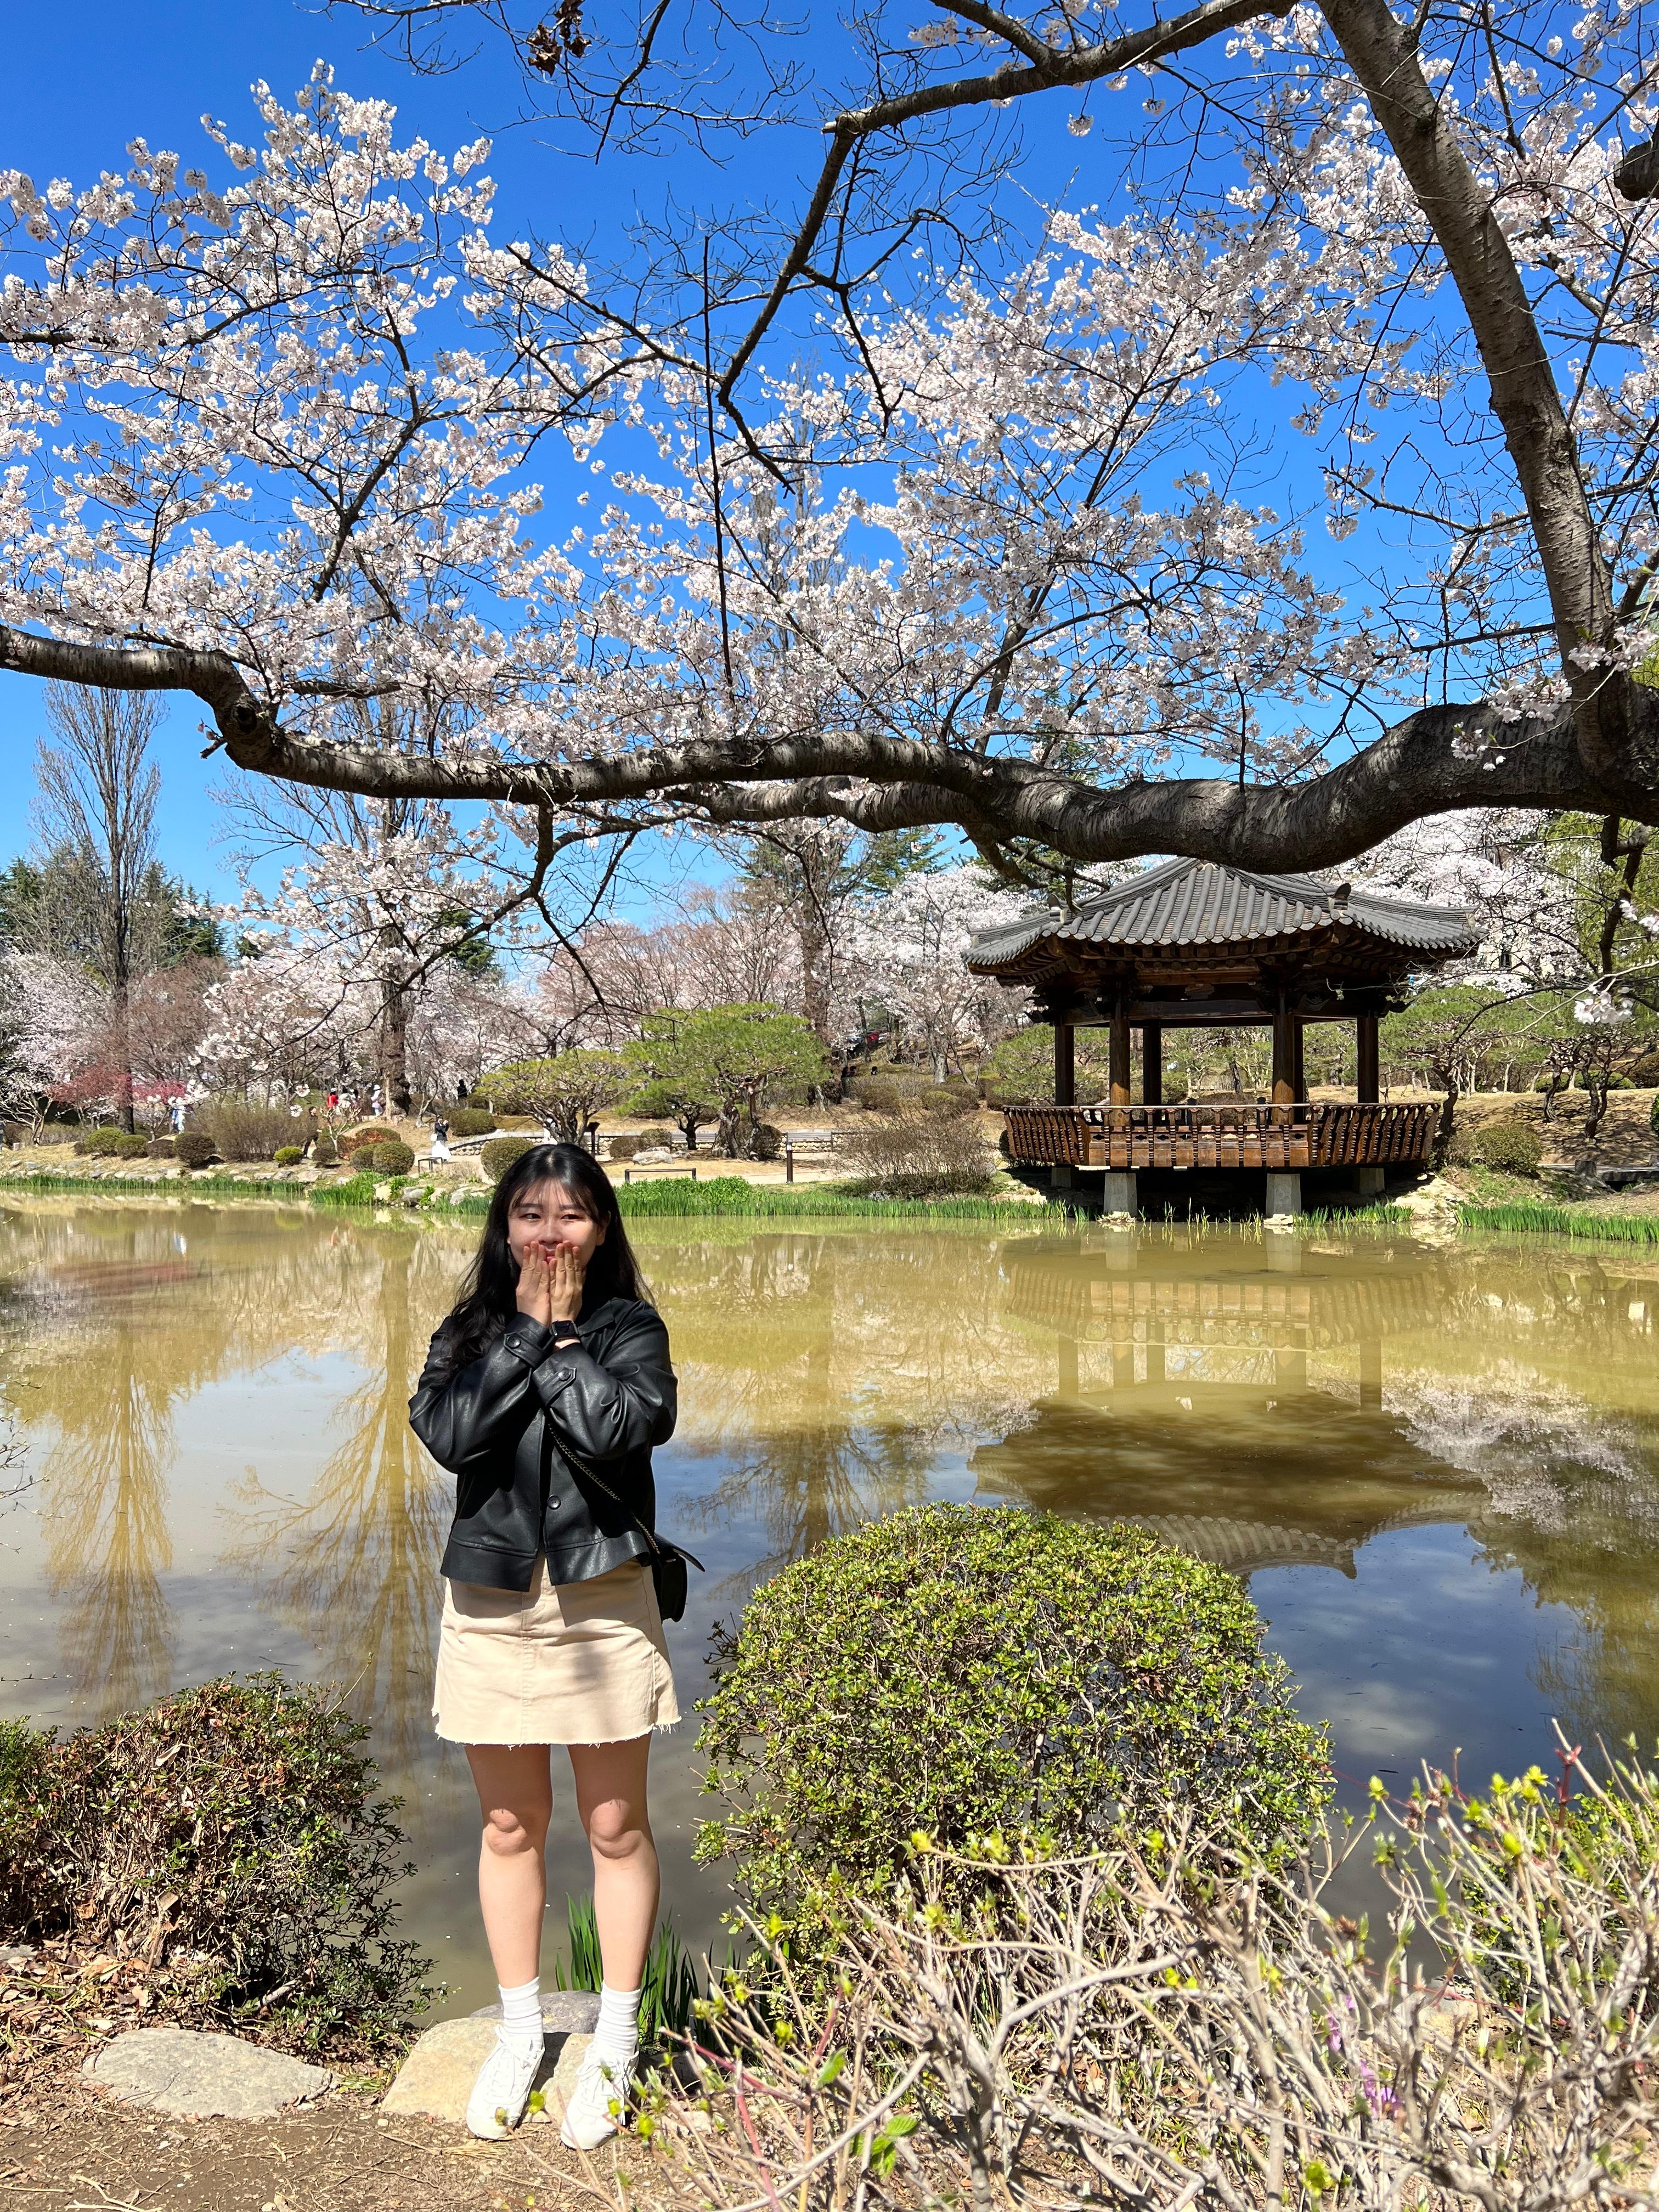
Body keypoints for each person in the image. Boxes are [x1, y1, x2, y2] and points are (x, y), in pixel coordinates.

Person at [409, 1145, 678, 2147]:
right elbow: (451, 1436)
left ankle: (613, 2037)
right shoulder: (471, 1330)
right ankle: (520, 2030)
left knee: (615, 1827)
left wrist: (562, 1339)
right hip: (491, 1598)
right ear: (503, 1228)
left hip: (601, 1593)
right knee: (509, 1829)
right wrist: (522, 1332)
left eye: (569, 1215)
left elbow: (619, 1433)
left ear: (602, 1229)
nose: (548, 1233)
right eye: (529, 1214)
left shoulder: (630, 1329)